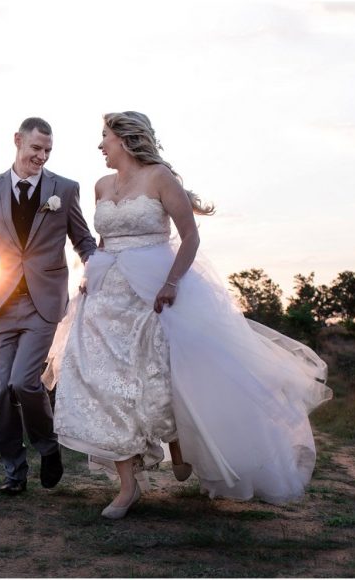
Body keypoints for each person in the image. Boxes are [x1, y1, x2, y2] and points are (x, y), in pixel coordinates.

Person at [44, 111, 332, 518]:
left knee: (160, 378)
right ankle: (127, 486)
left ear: (124, 139)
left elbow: (190, 237)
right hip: (106, 297)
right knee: (103, 383)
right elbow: (105, 242)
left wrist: (172, 283)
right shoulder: (101, 185)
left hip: (153, 291)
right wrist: (92, 275)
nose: (100, 144)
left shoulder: (160, 177)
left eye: (104, 136)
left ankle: (178, 442)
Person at [0, 117, 97, 495]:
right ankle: (14, 472)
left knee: (23, 382)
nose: (41, 156)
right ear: (17, 140)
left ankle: (48, 447)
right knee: (2, 392)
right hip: (3, 302)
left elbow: (84, 240)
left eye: (47, 150)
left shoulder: (64, 190)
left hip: (44, 302)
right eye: (36, 148)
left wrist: (99, 271)